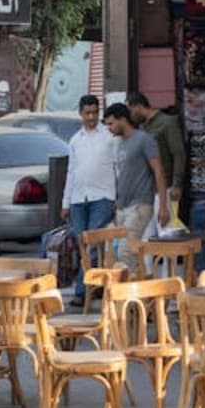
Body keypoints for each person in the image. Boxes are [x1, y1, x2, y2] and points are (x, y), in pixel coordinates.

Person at [61, 94, 119, 303]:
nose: (92, 117)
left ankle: (81, 291)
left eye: (95, 112)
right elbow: (71, 171)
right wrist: (65, 202)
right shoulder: (75, 140)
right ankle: (96, 285)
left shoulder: (109, 137)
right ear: (80, 113)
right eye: (88, 113)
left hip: (103, 197)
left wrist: (118, 198)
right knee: (81, 245)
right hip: (78, 198)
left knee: (92, 244)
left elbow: (118, 168)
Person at [104, 103, 167, 275]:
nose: (109, 128)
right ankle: (142, 285)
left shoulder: (144, 140)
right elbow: (122, 175)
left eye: (111, 123)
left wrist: (162, 206)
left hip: (140, 205)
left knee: (126, 252)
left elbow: (159, 171)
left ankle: (128, 290)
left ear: (122, 119)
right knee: (119, 254)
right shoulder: (119, 143)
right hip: (122, 207)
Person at [128, 93, 188, 225]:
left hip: (166, 187)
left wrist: (177, 184)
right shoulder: (142, 128)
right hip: (146, 190)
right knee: (146, 234)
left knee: (166, 229)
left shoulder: (167, 122)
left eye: (131, 111)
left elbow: (178, 154)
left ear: (138, 106)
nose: (131, 116)